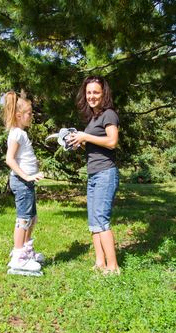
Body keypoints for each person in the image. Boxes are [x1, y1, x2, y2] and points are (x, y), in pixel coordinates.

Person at [70, 75, 120, 274]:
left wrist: (86, 136)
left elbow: (112, 142)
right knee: (93, 221)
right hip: (94, 173)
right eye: (89, 92)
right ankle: (100, 262)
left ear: (103, 93)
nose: (91, 96)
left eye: (95, 92)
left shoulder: (109, 114)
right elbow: (96, 146)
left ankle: (113, 266)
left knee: (101, 219)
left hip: (106, 173)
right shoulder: (94, 118)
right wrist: (81, 143)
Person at [4, 90, 44, 276]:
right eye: (29, 113)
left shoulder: (21, 133)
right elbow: (10, 160)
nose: (32, 116)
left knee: (32, 218)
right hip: (21, 182)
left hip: (26, 183)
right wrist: (27, 176)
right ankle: (19, 257)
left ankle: (26, 251)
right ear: (19, 115)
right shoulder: (17, 134)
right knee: (24, 219)